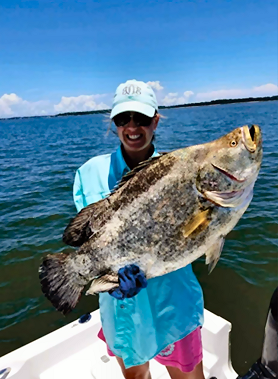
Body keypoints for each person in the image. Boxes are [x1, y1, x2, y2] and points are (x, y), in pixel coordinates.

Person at [73, 79, 205, 379]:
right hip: (121, 311)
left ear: (156, 120)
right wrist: (108, 280)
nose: (132, 127)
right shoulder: (89, 173)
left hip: (174, 303)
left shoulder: (181, 170)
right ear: (113, 123)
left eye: (142, 118)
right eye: (122, 118)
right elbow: (89, 243)